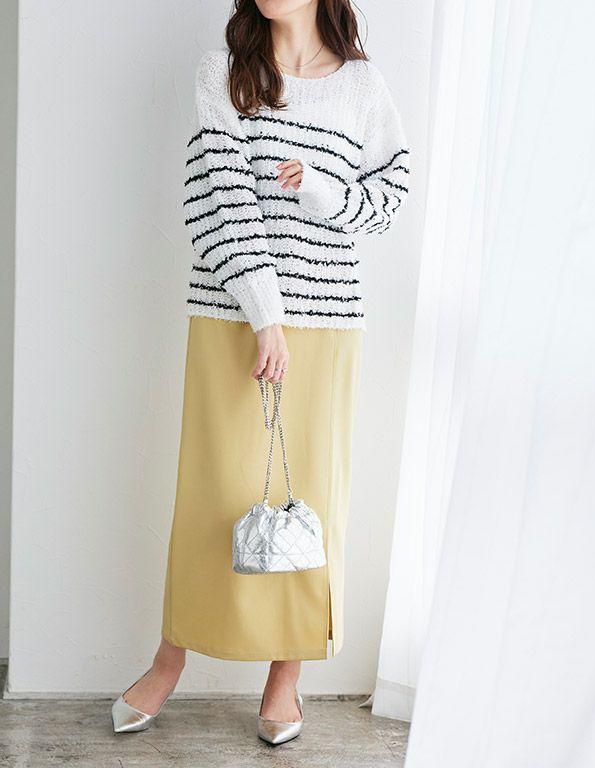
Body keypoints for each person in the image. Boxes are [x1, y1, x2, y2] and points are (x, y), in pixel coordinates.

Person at [111, 0, 410, 745]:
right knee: (213, 492)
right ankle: (170, 659)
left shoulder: (363, 87)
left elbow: (388, 201)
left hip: (329, 323)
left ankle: (286, 676)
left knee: (309, 498)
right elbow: (217, 196)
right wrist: (265, 314)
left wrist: (320, 186)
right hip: (232, 315)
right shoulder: (225, 73)